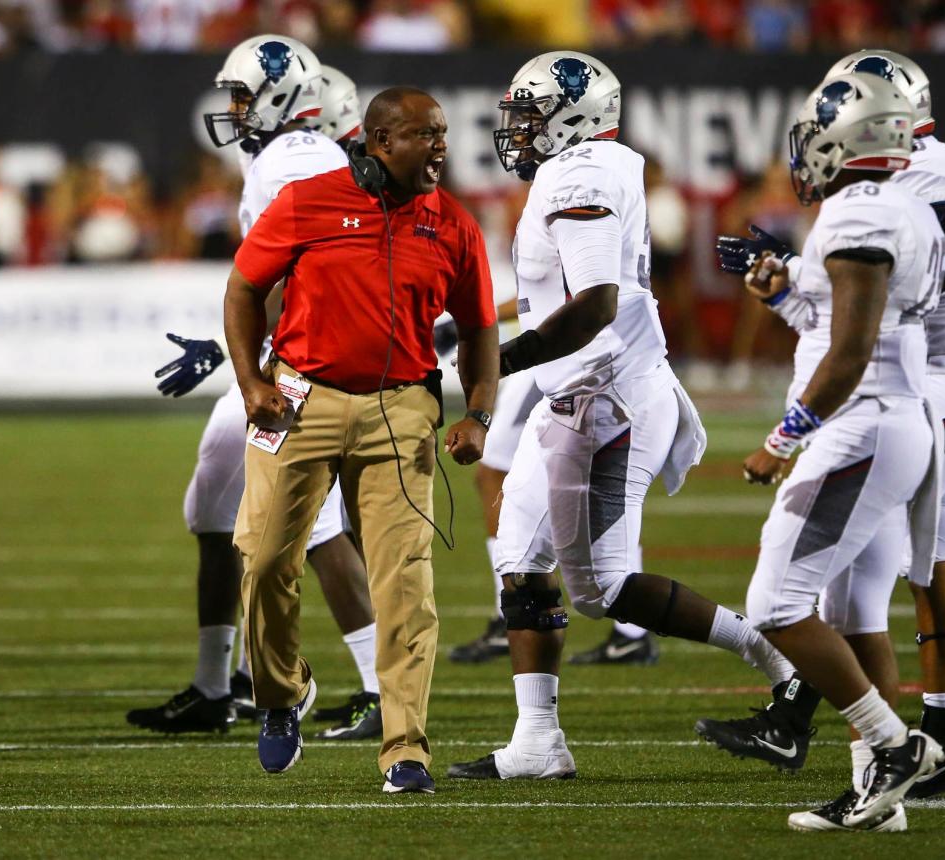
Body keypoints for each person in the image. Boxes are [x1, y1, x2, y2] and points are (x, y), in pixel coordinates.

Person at [447, 51, 795, 785]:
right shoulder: (587, 168)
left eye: (531, 113)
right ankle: (537, 739)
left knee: (601, 589)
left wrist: (498, 364)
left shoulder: (581, 175)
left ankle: (777, 660)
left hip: (611, 401)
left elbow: (597, 301)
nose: (519, 130)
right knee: (519, 557)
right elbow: (565, 294)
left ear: (573, 113)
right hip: (585, 395)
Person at [704, 49, 945, 804]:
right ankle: (893, 757)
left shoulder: (896, 193)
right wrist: (792, 289)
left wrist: (785, 436)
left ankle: (892, 739)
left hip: (934, 379)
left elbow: (868, 328)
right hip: (919, 380)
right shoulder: (886, 192)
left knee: (882, 578)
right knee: (861, 590)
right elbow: (852, 312)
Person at [225, 86, 498, 793]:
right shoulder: (305, 202)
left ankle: (405, 747)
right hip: (298, 398)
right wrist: (252, 381)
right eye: (421, 134)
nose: (440, 146)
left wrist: (480, 413)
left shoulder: (454, 223)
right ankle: (283, 693)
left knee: (406, 581)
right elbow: (243, 289)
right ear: (378, 143)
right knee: (260, 561)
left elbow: (479, 327)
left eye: (441, 133)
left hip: (402, 409)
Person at [129, 36, 382, 742]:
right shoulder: (280, 157)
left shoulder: (297, 160)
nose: (233, 109)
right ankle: (218, 686)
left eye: (242, 96)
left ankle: (380, 689)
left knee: (320, 523)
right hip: (278, 358)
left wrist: (241, 348)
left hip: (303, 367)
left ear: (280, 96)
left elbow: (300, 271)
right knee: (212, 504)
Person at [448, 298, 659, 667]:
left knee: (495, 465)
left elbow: (572, 288)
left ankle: (512, 611)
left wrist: (485, 319)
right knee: (595, 480)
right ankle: (631, 632)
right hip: (588, 349)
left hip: (568, 351)